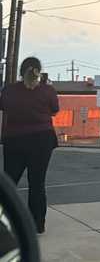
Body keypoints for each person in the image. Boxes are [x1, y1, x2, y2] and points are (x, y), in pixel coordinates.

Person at [0, 56, 59, 234]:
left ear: (20, 71)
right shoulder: (48, 91)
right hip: (42, 140)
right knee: (37, 183)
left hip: (15, 140)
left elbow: (3, 106)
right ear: (38, 71)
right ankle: (37, 224)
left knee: (9, 183)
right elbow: (55, 110)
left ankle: (4, 223)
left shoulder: (9, 90)